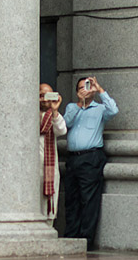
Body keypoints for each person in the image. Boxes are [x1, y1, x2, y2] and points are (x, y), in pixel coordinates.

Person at [63, 75, 117, 249]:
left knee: (89, 200)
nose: (85, 90)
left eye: (87, 86)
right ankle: (71, 237)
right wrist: (80, 103)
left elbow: (114, 110)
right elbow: (65, 123)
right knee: (71, 199)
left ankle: (86, 240)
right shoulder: (72, 107)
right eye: (81, 88)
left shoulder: (100, 109)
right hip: (72, 158)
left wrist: (99, 89)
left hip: (91, 157)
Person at [38, 83, 67, 224]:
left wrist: (55, 111)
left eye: (47, 96)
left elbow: (61, 131)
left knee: (48, 207)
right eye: (40, 96)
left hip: (48, 170)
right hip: (31, 171)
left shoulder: (53, 116)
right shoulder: (28, 115)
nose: (44, 100)